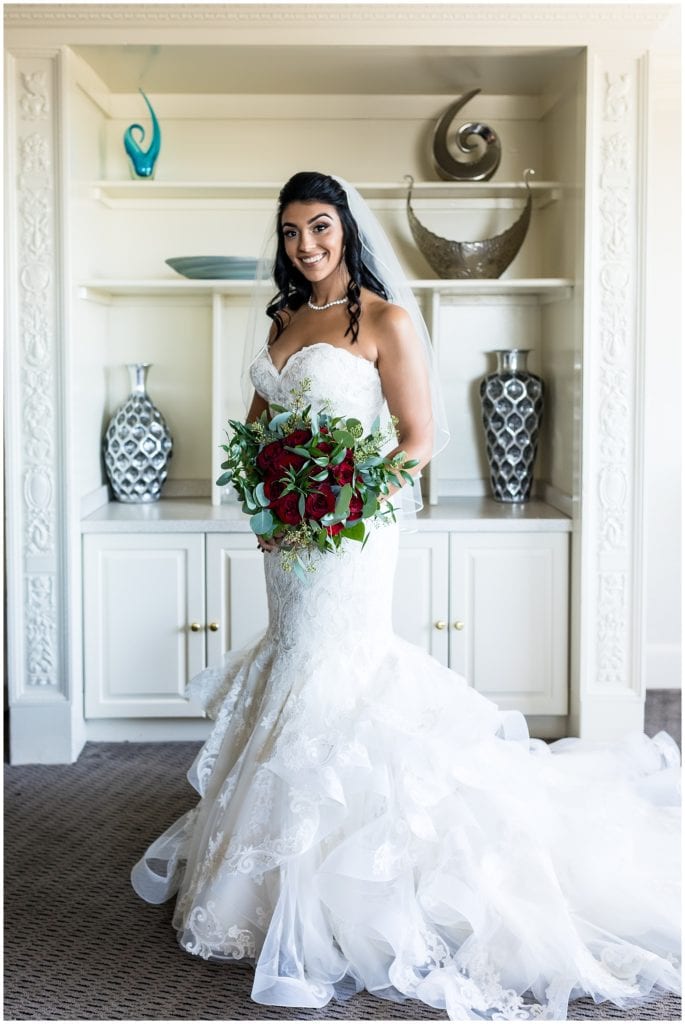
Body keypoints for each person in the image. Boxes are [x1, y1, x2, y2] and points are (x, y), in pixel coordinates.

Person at [132, 171, 680, 1021]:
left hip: (351, 535)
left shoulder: (382, 320)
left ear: (345, 229)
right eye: (290, 231)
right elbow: (258, 429)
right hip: (287, 539)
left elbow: (419, 442)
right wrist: (271, 500)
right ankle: (270, 879)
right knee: (291, 667)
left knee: (334, 673)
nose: (305, 244)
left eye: (320, 226)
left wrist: (337, 500)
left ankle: (350, 891)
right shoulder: (282, 320)